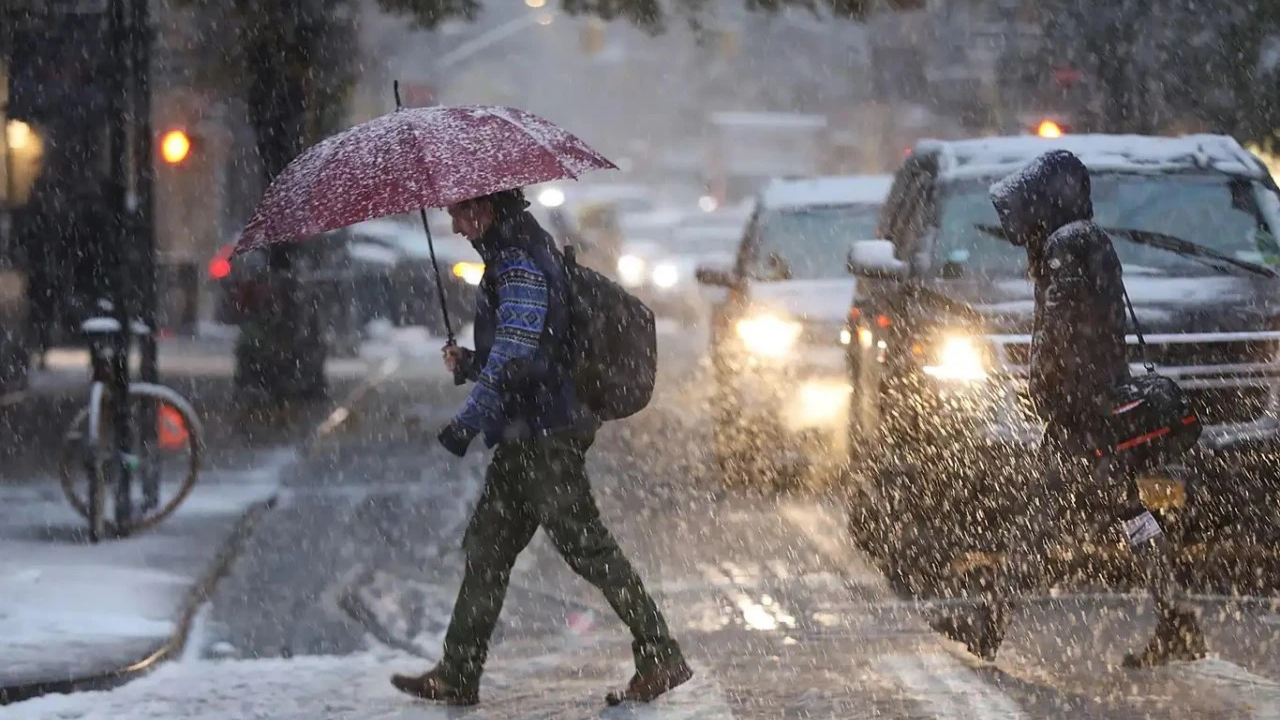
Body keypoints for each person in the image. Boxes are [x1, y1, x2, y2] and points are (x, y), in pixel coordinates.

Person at [391, 189, 691, 706]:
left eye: (462, 213)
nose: (457, 226)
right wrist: (469, 364)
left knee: (587, 548)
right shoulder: (517, 255)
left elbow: (518, 359)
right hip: (526, 434)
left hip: (546, 435)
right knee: (488, 548)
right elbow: (522, 353)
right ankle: (458, 671)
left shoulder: (519, 265)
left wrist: (466, 422)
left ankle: (660, 653)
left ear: (487, 208)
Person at [930, 150, 1207, 667]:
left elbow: (1060, 332)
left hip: (1083, 414)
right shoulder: (1087, 238)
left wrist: (1052, 393)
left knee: (1040, 518)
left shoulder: (1065, 245)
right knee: (1132, 514)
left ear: (1046, 200)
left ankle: (992, 622)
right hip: (1104, 403)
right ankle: (1176, 619)